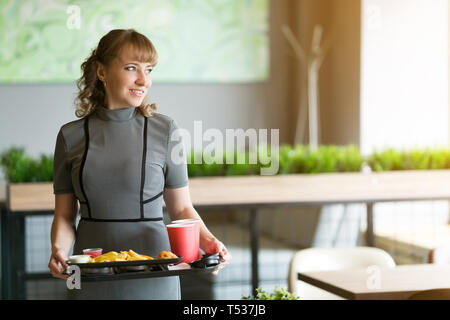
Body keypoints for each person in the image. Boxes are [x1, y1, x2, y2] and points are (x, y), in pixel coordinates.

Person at [48, 29, 231, 299]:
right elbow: (64, 215)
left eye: (149, 69)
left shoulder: (166, 130)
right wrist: (59, 251)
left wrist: (209, 240)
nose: (143, 80)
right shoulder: (69, 136)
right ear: (102, 72)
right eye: (131, 68)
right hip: (92, 274)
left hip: (156, 269)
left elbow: (181, 208)